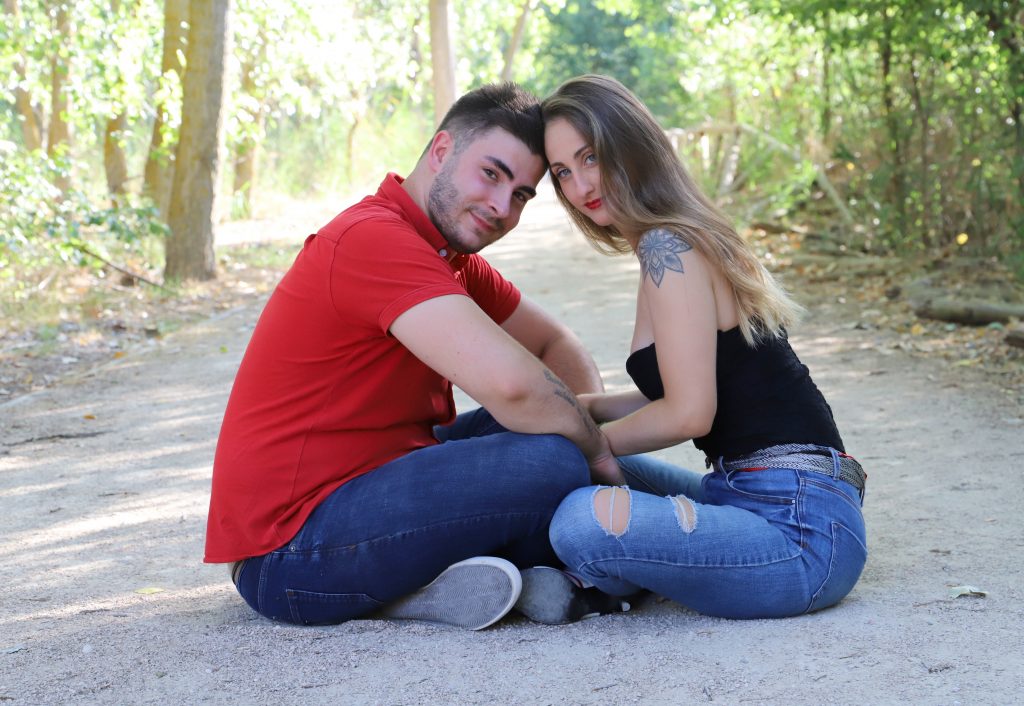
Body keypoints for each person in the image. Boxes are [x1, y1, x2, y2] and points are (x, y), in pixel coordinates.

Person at [204, 82, 624, 630]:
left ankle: (664, 525)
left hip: (380, 486)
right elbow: (516, 386)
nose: (501, 207)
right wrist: (594, 456)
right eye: (491, 174)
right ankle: (437, 586)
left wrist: (583, 434)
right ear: (442, 150)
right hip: (287, 554)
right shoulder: (372, 238)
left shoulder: (448, 257)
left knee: (553, 431)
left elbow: (553, 345)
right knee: (550, 458)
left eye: (521, 194)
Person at [539, 75, 867, 620]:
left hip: (801, 532)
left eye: (590, 156)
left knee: (580, 516)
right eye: (562, 172)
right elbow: (687, 381)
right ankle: (605, 575)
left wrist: (587, 442)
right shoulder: (667, 240)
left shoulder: (669, 247)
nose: (580, 185)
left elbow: (690, 412)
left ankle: (596, 576)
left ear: (630, 143)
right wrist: (585, 408)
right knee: (581, 468)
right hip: (741, 493)